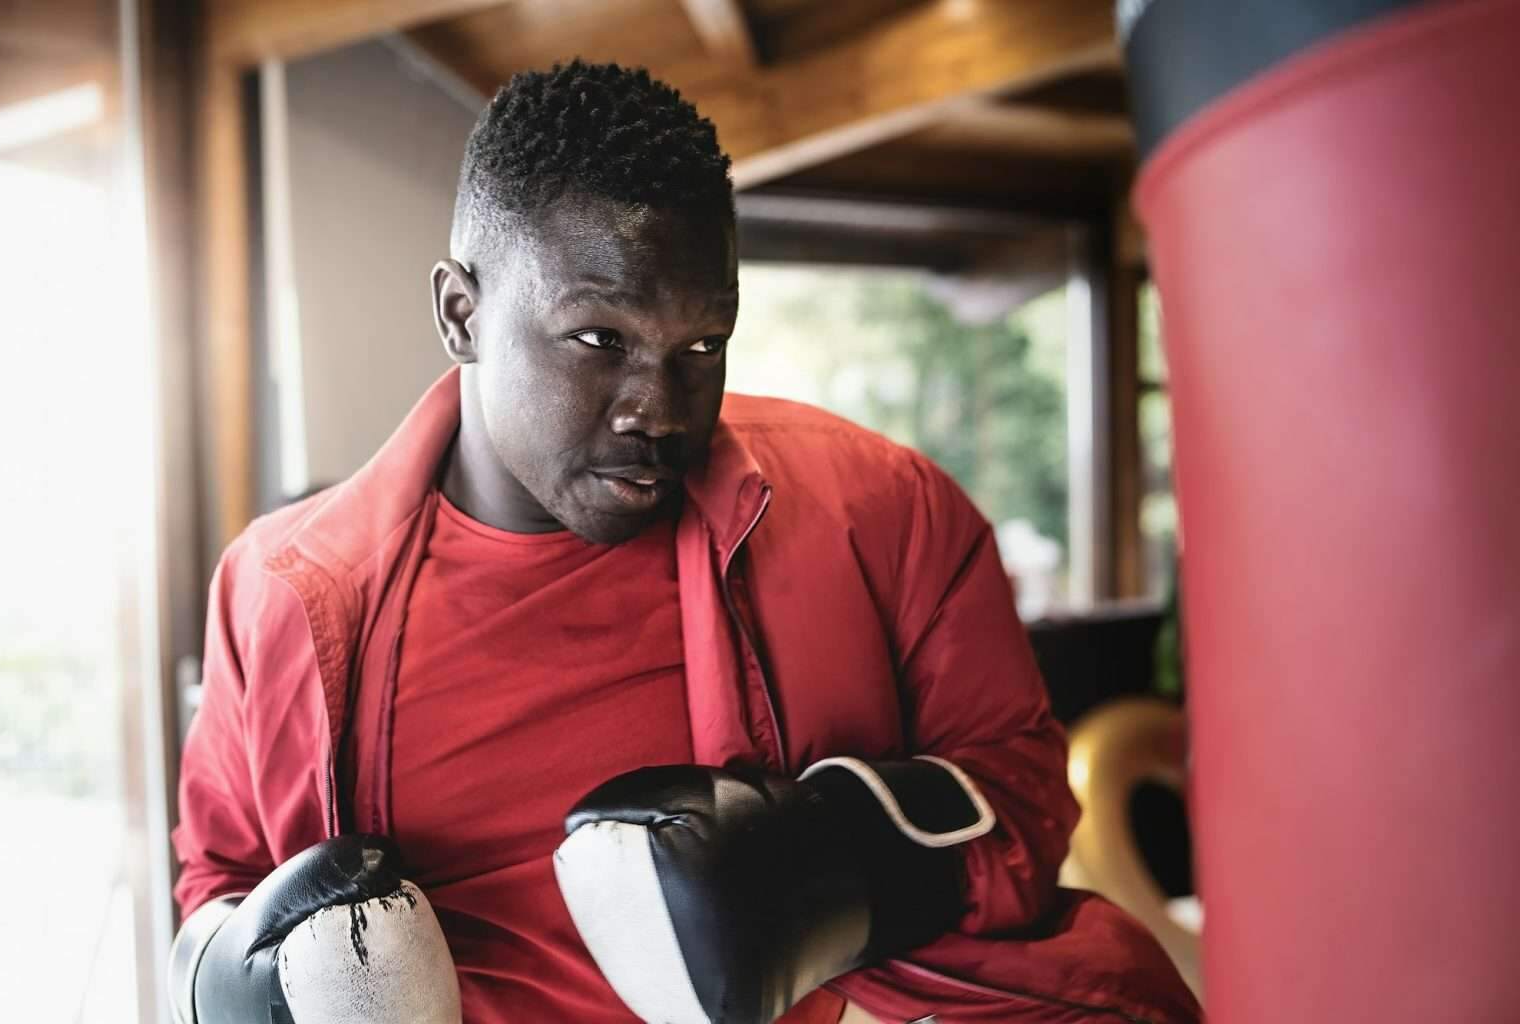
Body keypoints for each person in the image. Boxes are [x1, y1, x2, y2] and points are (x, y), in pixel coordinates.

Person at [167, 60, 1199, 1024]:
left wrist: (833, 865)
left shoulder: (885, 512)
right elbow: (217, 879)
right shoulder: (277, 592)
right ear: (460, 313)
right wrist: (263, 981)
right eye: (600, 339)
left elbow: (1024, 794)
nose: (658, 409)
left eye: (702, 344)